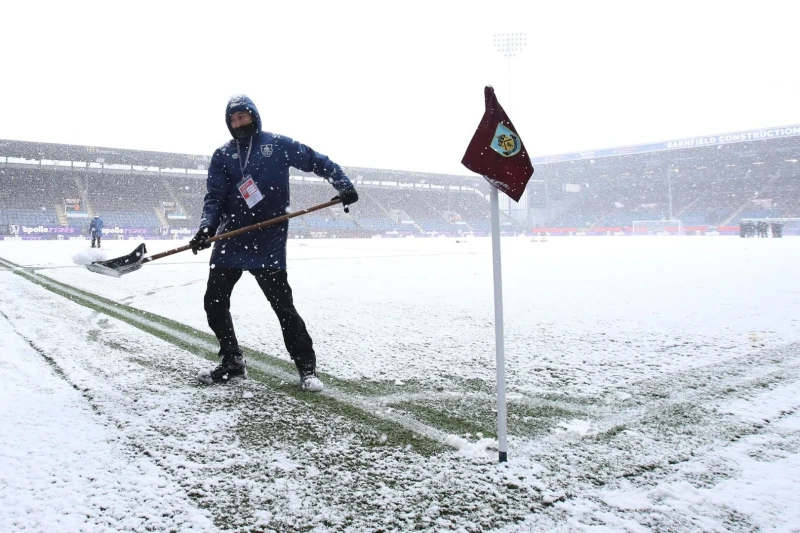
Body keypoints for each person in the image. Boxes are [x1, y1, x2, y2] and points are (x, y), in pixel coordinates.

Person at [190, 94, 358, 391]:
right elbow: (214, 197)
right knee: (213, 304)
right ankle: (232, 362)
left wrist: (342, 183)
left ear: (254, 116)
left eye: (243, 116)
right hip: (231, 240)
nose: (238, 122)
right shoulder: (223, 155)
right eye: (233, 119)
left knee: (283, 307)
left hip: (267, 241)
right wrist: (206, 228)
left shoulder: (276, 145)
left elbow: (315, 159)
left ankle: (307, 368)